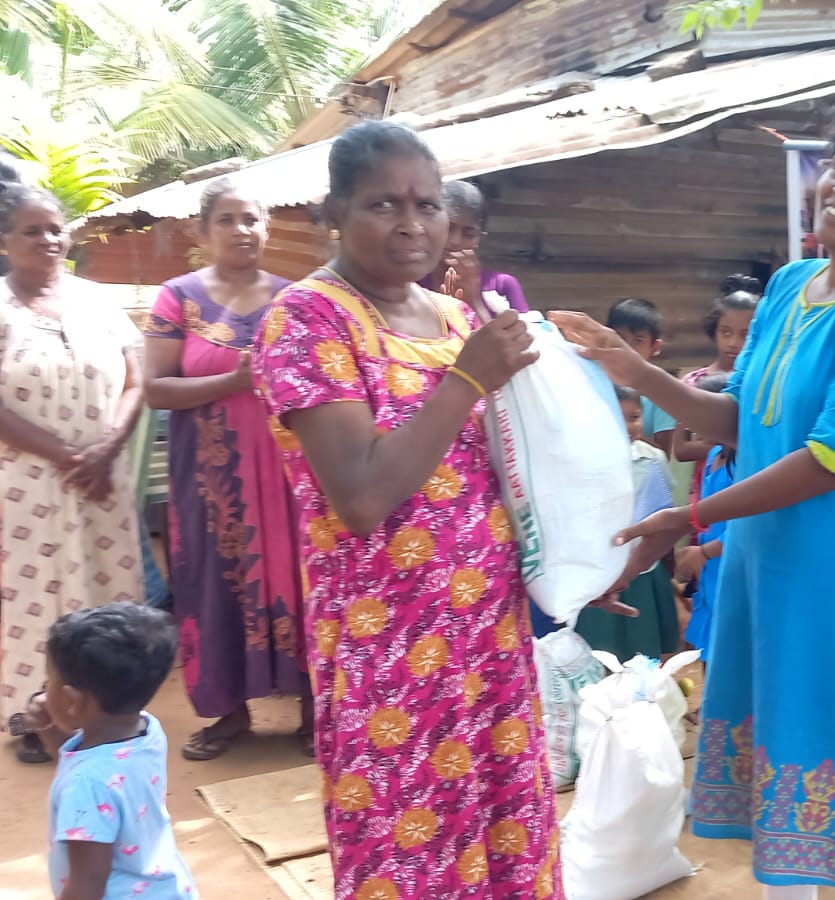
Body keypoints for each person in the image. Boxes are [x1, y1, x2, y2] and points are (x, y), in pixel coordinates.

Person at [553, 101, 835, 899]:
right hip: (770, 577)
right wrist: (633, 371)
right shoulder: (792, 284)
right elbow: (745, 418)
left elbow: (834, 460)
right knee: (783, 793)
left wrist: (692, 518)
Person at [252, 120, 581, 898]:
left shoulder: (456, 318)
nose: (411, 225)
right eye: (384, 204)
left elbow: (510, 469)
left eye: (427, 205)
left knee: (502, 832)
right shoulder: (308, 319)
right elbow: (362, 496)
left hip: (488, 636)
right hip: (390, 649)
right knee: (407, 844)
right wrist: (465, 380)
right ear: (334, 213)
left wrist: (575, 562)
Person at [142, 179, 311, 761]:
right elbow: (156, 388)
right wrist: (234, 381)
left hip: (290, 473)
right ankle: (230, 712)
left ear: (268, 227)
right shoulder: (177, 299)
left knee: (299, 577)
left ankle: (313, 709)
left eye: (252, 219)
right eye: (227, 220)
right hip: (210, 481)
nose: (242, 230)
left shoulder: (295, 299)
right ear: (202, 230)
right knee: (214, 581)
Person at [1, 186, 145, 764]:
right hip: (26, 484)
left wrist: (107, 449)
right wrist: (67, 455)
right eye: (32, 230)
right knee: (32, 597)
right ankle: (36, 717)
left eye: (56, 228)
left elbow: (137, 379)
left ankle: (109, 714)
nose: (48, 239)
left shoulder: (98, 302)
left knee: (107, 595)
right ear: (4, 241)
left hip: (102, 481)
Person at [20, 603, 197, 900]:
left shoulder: (86, 786)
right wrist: (51, 728)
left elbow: (87, 885)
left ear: (72, 701)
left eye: (49, 681)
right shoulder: (147, 731)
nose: (45, 691)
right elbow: (83, 760)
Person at [576, 386, 678, 661]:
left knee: (644, 649)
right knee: (598, 649)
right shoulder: (582, 459)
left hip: (642, 566)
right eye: (616, 417)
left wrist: (665, 559)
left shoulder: (652, 458)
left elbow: (665, 512)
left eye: (634, 417)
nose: (629, 426)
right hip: (599, 567)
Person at [675, 275, 760, 505]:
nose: (733, 343)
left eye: (744, 334)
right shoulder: (693, 382)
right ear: (714, 330)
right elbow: (681, 449)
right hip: (705, 489)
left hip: (752, 491)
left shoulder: (761, 384)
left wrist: (710, 441)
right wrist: (732, 443)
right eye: (726, 332)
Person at [679, 372, 735, 667]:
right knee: (705, 648)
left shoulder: (746, 463)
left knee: (728, 645)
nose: (692, 422)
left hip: (732, 565)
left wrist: (704, 552)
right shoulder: (714, 455)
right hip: (710, 569)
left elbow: (751, 527)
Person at [419, 179, 528, 314]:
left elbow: (527, 326)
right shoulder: (410, 282)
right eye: (448, 228)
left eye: (469, 234)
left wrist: (474, 300)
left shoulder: (502, 286)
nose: (455, 241)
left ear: (479, 238)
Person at [608, 297, 676, 454]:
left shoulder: (662, 394)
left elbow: (662, 454)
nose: (626, 348)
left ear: (655, 347)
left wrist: (628, 433)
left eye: (638, 340)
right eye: (620, 338)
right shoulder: (594, 381)